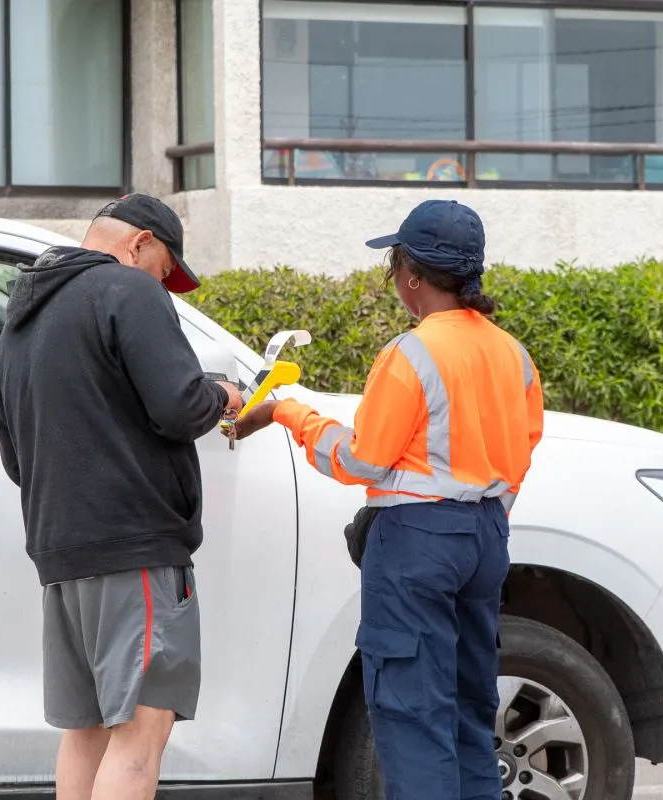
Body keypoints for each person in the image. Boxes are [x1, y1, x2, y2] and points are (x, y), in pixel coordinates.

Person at [230, 199, 545, 799]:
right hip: (485, 537)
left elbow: (360, 460)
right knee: (470, 714)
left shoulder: (412, 353)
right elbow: (524, 448)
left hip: (418, 545)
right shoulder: (512, 353)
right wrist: (484, 517)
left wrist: (286, 412)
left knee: (413, 715)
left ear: (412, 276)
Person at [0, 194, 243, 800]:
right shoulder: (128, 291)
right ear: (139, 244)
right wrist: (226, 395)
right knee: (140, 731)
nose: (163, 285)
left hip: (61, 552)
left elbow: (12, 453)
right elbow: (181, 405)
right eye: (164, 272)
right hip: (135, 550)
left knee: (87, 733)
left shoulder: (23, 316)